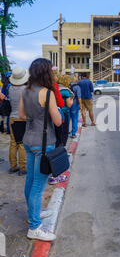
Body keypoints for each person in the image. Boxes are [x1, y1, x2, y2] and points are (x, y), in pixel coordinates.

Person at [19, 58, 62, 241]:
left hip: (28, 140)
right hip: (43, 143)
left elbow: (21, 115)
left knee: (30, 180)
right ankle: (35, 227)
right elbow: (58, 121)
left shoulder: (25, 91)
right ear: (46, 73)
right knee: (38, 185)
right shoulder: (47, 93)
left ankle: (32, 215)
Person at [8, 66, 29, 175]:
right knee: (22, 144)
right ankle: (23, 167)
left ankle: (13, 166)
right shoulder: (25, 90)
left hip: (12, 118)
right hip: (22, 118)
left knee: (13, 143)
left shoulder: (9, 88)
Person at [57, 74, 74, 146]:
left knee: (57, 132)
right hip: (64, 113)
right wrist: (72, 98)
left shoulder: (56, 88)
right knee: (64, 132)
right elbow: (69, 104)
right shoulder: (66, 91)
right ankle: (62, 148)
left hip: (55, 112)